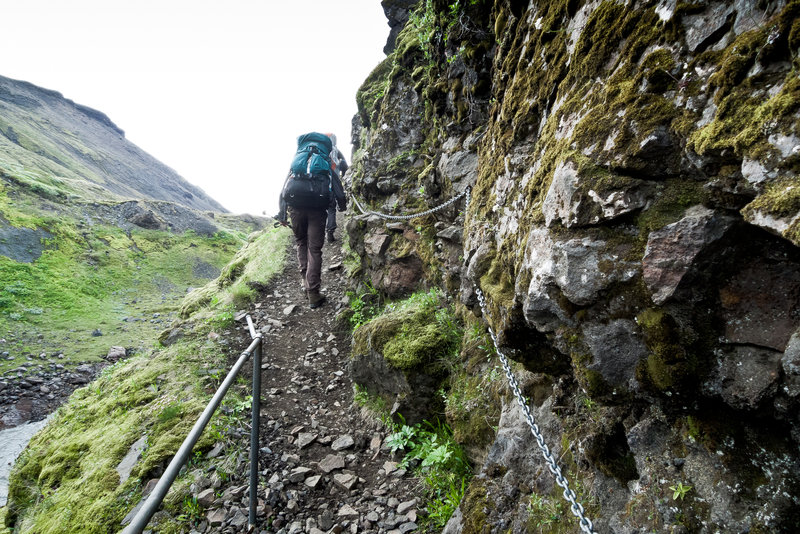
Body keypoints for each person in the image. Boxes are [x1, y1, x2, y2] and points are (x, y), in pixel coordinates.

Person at [277, 132, 347, 309]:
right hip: (317, 210)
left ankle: (304, 281)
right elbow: (337, 187)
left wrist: (283, 214)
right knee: (314, 249)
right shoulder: (325, 162)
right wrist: (343, 207)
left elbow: (284, 189)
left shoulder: (297, 163)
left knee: (301, 243)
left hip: (296, 209)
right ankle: (313, 293)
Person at [325, 133, 348, 242]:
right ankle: (330, 230)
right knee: (331, 207)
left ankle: (315, 233)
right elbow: (344, 163)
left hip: (315, 183)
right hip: (332, 182)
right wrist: (343, 175)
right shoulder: (335, 150)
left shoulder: (316, 151)